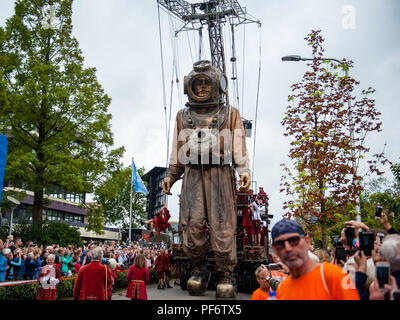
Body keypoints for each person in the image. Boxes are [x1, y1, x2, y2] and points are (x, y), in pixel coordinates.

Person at [162, 60, 251, 299]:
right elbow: (177, 149)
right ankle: (198, 266)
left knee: (223, 224)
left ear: (217, 85)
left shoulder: (229, 113)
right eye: (197, 83)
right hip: (192, 173)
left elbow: (239, 144)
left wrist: (243, 169)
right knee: (191, 223)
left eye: (205, 83)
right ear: (189, 86)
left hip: (220, 173)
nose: (201, 88)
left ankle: (225, 273)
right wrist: (171, 175)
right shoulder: (183, 116)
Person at [271, 218, 360, 300]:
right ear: (274, 249)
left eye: (294, 240)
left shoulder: (334, 276)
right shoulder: (282, 290)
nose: (288, 248)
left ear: (307, 241)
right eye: (280, 243)